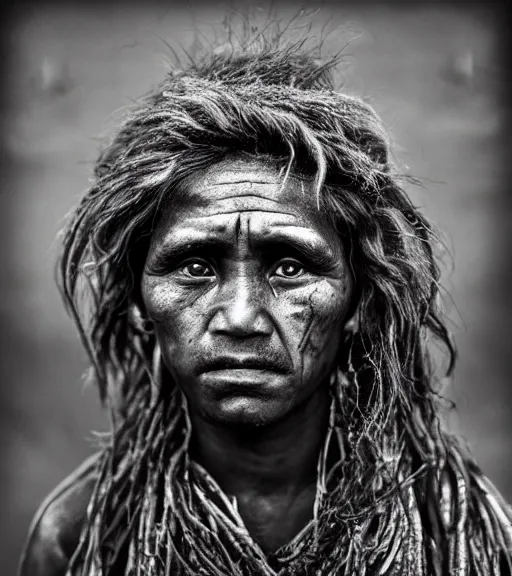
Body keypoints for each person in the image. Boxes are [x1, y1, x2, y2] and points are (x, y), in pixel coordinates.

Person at [19, 25, 512, 576]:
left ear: (357, 302)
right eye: (195, 267)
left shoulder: (457, 534)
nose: (240, 317)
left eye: (289, 267)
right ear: (139, 302)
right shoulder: (81, 539)